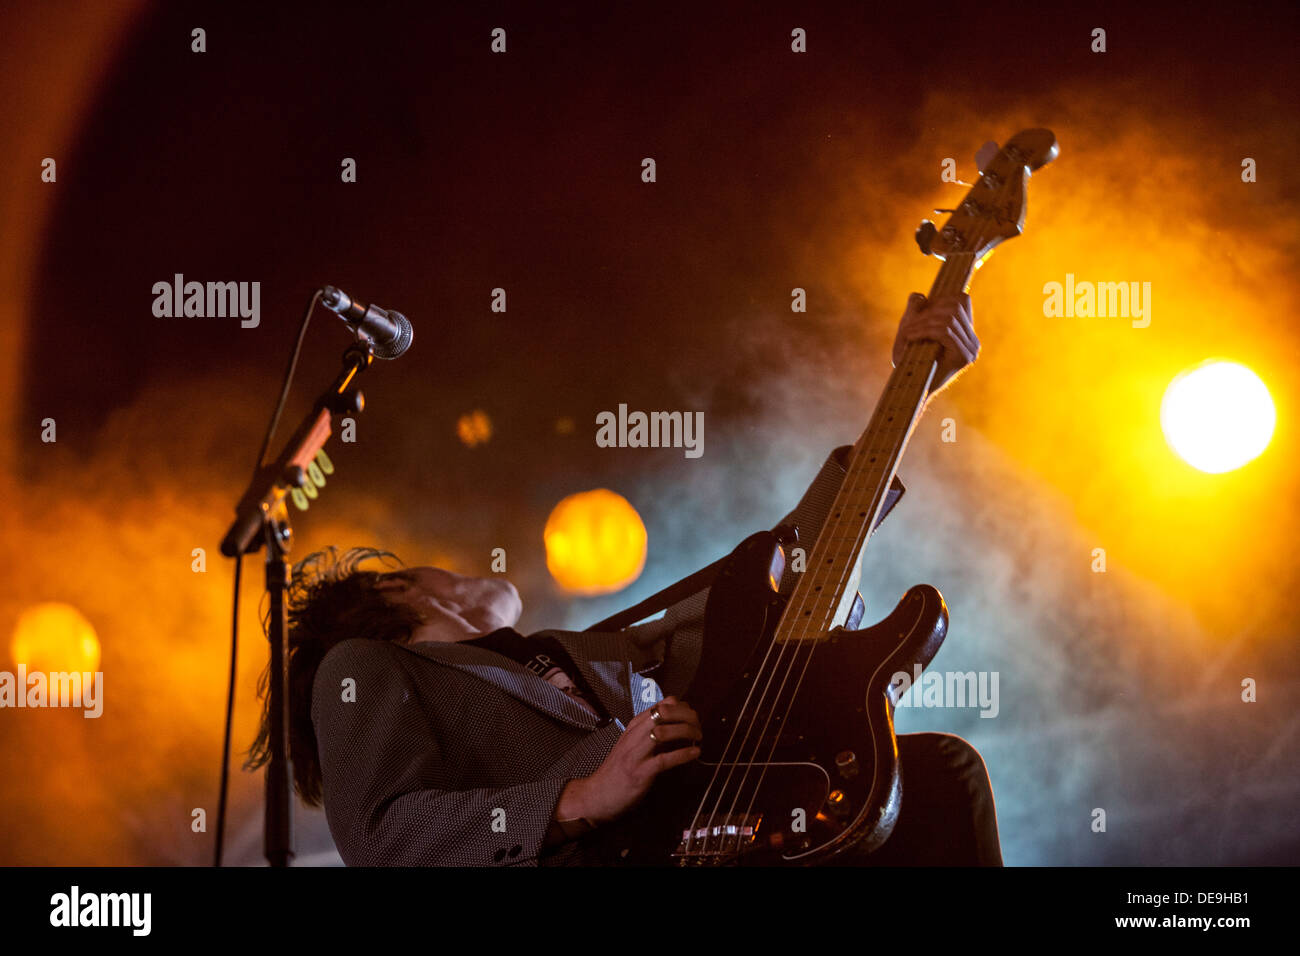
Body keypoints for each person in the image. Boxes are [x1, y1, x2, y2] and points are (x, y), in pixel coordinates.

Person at [248, 291, 1002, 866]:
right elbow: (387, 834)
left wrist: (907, 395)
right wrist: (579, 799)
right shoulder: (364, 664)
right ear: (395, 594)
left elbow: (789, 573)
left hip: (708, 829)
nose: (464, 567)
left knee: (937, 778)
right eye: (431, 566)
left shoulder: (588, 654)